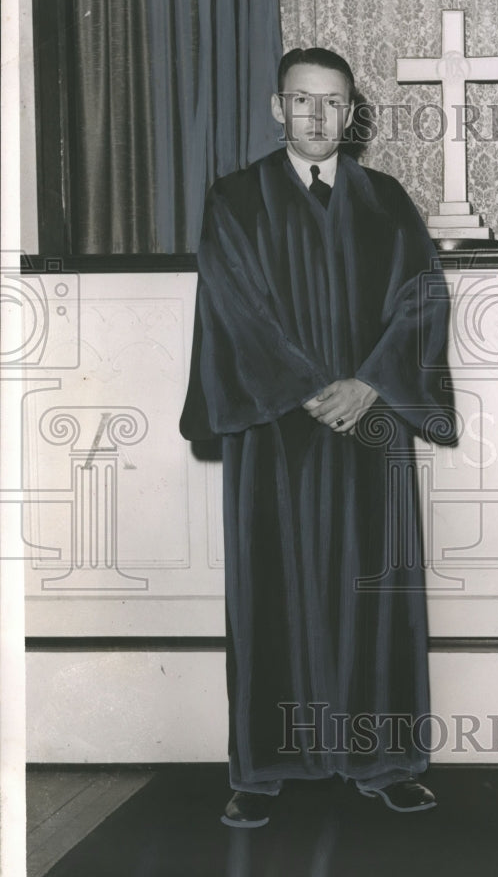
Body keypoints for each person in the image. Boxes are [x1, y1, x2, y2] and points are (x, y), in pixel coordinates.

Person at [179, 47, 456, 827]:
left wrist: (369, 383)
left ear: (352, 113)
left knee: (378, 588)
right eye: (304, 100)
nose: (319, 116)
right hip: (276, 428)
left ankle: (386, 761)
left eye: (335, 103)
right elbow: (233, 309)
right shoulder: (236, 200)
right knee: (273, 586)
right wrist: (305, 387)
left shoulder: (385, 200)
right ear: (279, 107)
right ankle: (263, 769)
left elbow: (422, 298)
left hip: (371, 423)